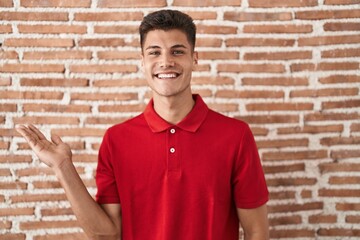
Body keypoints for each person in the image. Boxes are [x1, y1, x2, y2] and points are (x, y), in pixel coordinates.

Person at [16, 9, 269, 240]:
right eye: (155, 52)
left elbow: (256, 231)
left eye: (177, 51)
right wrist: (63, 167)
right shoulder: (116, 140)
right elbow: (107, 235)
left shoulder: (235, 136)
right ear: (142, 61)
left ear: (195, 58)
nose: (166, 61)